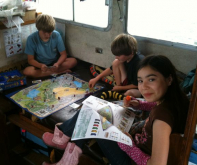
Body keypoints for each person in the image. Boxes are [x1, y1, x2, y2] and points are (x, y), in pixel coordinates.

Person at [42, 55, 189, 165]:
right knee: (92, 107)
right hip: (135, 140)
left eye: (151, 79)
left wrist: (129, 147)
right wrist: (139, 104)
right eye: (140, 81)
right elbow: (158, 108)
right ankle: (65, 145)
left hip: (129, 160)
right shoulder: (172, 102)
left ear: (169, 79)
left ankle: (64, 143)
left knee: (89, 114)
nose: (144, 87)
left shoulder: (162, 119)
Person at [89, 33, 143, 98]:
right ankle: (118, 89)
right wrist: (96, 78)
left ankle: (119, 90)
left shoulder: (138, 63)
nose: (116, 57)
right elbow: (110, 69)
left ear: (131, 52)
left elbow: (137, 85)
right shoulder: (126, 57)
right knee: (116, 62)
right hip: (127, 82)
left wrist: (120, 88)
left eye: (119, 55)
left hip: (138, 87)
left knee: (129, 93)